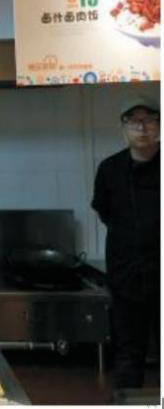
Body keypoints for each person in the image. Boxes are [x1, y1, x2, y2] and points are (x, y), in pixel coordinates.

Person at [92, 96, 160, 389]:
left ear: (159, 125)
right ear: (124, 128)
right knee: (128, 353)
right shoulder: (110, 169)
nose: (142, 128)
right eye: (134, 121)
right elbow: (104, 211)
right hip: (126, 275)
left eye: (149, 120)